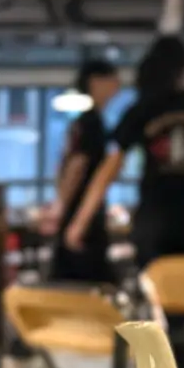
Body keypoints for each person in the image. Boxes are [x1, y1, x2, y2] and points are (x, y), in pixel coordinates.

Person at [65, 36, 184, 368]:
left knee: (161, 298)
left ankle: (171, 364)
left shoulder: (144, 109)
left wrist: (79, 221)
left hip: (157, 218)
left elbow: (109, 168)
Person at [46, 58, 121, 284]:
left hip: (81, 214)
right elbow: (76, 166)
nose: (117, 85)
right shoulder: (90, 122)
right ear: (95, 82)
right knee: (82, 283)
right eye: (112, 79)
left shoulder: (87, 121)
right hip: (80, 215)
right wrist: (61, 207)